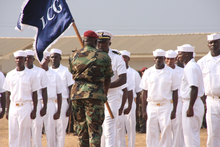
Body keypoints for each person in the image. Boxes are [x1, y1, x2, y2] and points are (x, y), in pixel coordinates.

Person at [69, 30, 113, 146]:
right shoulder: (103, 56)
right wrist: (105, 94)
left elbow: (72, 73)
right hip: (95, 95)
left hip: (77, 95)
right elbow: (108, 78)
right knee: (95, 130)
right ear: (95, 41)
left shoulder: (74, 55)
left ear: (84, 41)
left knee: (81, 129)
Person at [139, 49, 179, 147]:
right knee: (151, 131)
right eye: (156, 58)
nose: (158, 60)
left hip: (166, 106)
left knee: (166, 130)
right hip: (151, 106)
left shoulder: (171, 72)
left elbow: (175, 92)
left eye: (160, 58)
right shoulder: (148, 72)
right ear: (154, 59)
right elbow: (144, 93)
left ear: (164, 59)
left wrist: (174, 110)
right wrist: (143, 110)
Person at [95, 30, 127, 147]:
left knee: (109, 127)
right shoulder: (93, 58)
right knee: (98, 129)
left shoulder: (117, 58)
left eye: (104, 42)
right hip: (96, 95)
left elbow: (123, 79)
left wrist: (107, 86)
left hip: (112, 96)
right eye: (99, 42)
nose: (101, 45)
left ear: (109, 43)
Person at [3, 50, 41, 147]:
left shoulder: (31, 75)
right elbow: (8, 94)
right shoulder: (10, 75)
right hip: (13, 107)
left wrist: (34, 110)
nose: (19, 60)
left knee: (24, 134)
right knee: (13, 134)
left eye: (21, 59)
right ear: (15, 60)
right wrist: (7, 111)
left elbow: (35, 93)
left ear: (25, 60)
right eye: (17, 58)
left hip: (26, 106)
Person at [177, 44, 205, 147]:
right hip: (193, 102)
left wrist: (190, 108)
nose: (178, 57)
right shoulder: (192, 66)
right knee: (192, 135)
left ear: (186, 54)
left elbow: (194, 88)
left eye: (180, 54)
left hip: (191, 103)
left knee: (190, 137)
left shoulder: (191, 67)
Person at [197, 33, 220, 147]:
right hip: (211, 101)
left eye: (216, 42)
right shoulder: (202, 63)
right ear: (208, 45)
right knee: (212, 133)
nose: (213, 45)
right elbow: (198, 84)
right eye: (211, 43)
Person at [50, 48, 75, 147]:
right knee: (51, 130)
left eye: (56, 57)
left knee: (61, 131)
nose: (54, 59)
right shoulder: (47, 71)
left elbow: (71, 89)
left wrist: (70, 106)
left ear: (60, 58)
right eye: (52, 57)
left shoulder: (66, 71)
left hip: (64, 103)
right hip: (50, 103)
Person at [25, 49, 49, 147]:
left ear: (33, 59)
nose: (27, 60)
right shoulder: (18, 73)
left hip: (37, 103)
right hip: (25, 104)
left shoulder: (40, 72)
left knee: (37, 131)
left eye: (30, 58)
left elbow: (44, 90)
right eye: (25, 58)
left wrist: (45, 106)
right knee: (25, 131)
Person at [41, 51, 65, 147]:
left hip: (50, 104)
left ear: (48, 61)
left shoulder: (55, 75)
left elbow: (59, 94)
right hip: (37, 104)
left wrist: (59, 110)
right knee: (36, 131)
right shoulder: (35, 74)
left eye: (45, 60)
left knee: (50, 131)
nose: (43, 62)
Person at [120, 50, 142, 147]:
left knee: (131, 129)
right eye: (121, 57)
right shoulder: (115, 71)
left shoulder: (134, 73)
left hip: (130, 103)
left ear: (128, 59)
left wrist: (137, 109)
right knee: (120, 129)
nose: (123, 59)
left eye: (125, 57)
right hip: (119, 102)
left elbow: (138, 92)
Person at [165, 50, 185, 147]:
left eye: (171, 59)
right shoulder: (162, 71)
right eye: (168, 59)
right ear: (165, 60)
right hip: (166, 102)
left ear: (175, 59)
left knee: (177, 126)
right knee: (167, 126)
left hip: (179, 101)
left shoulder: (182, 71)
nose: (169, 61)